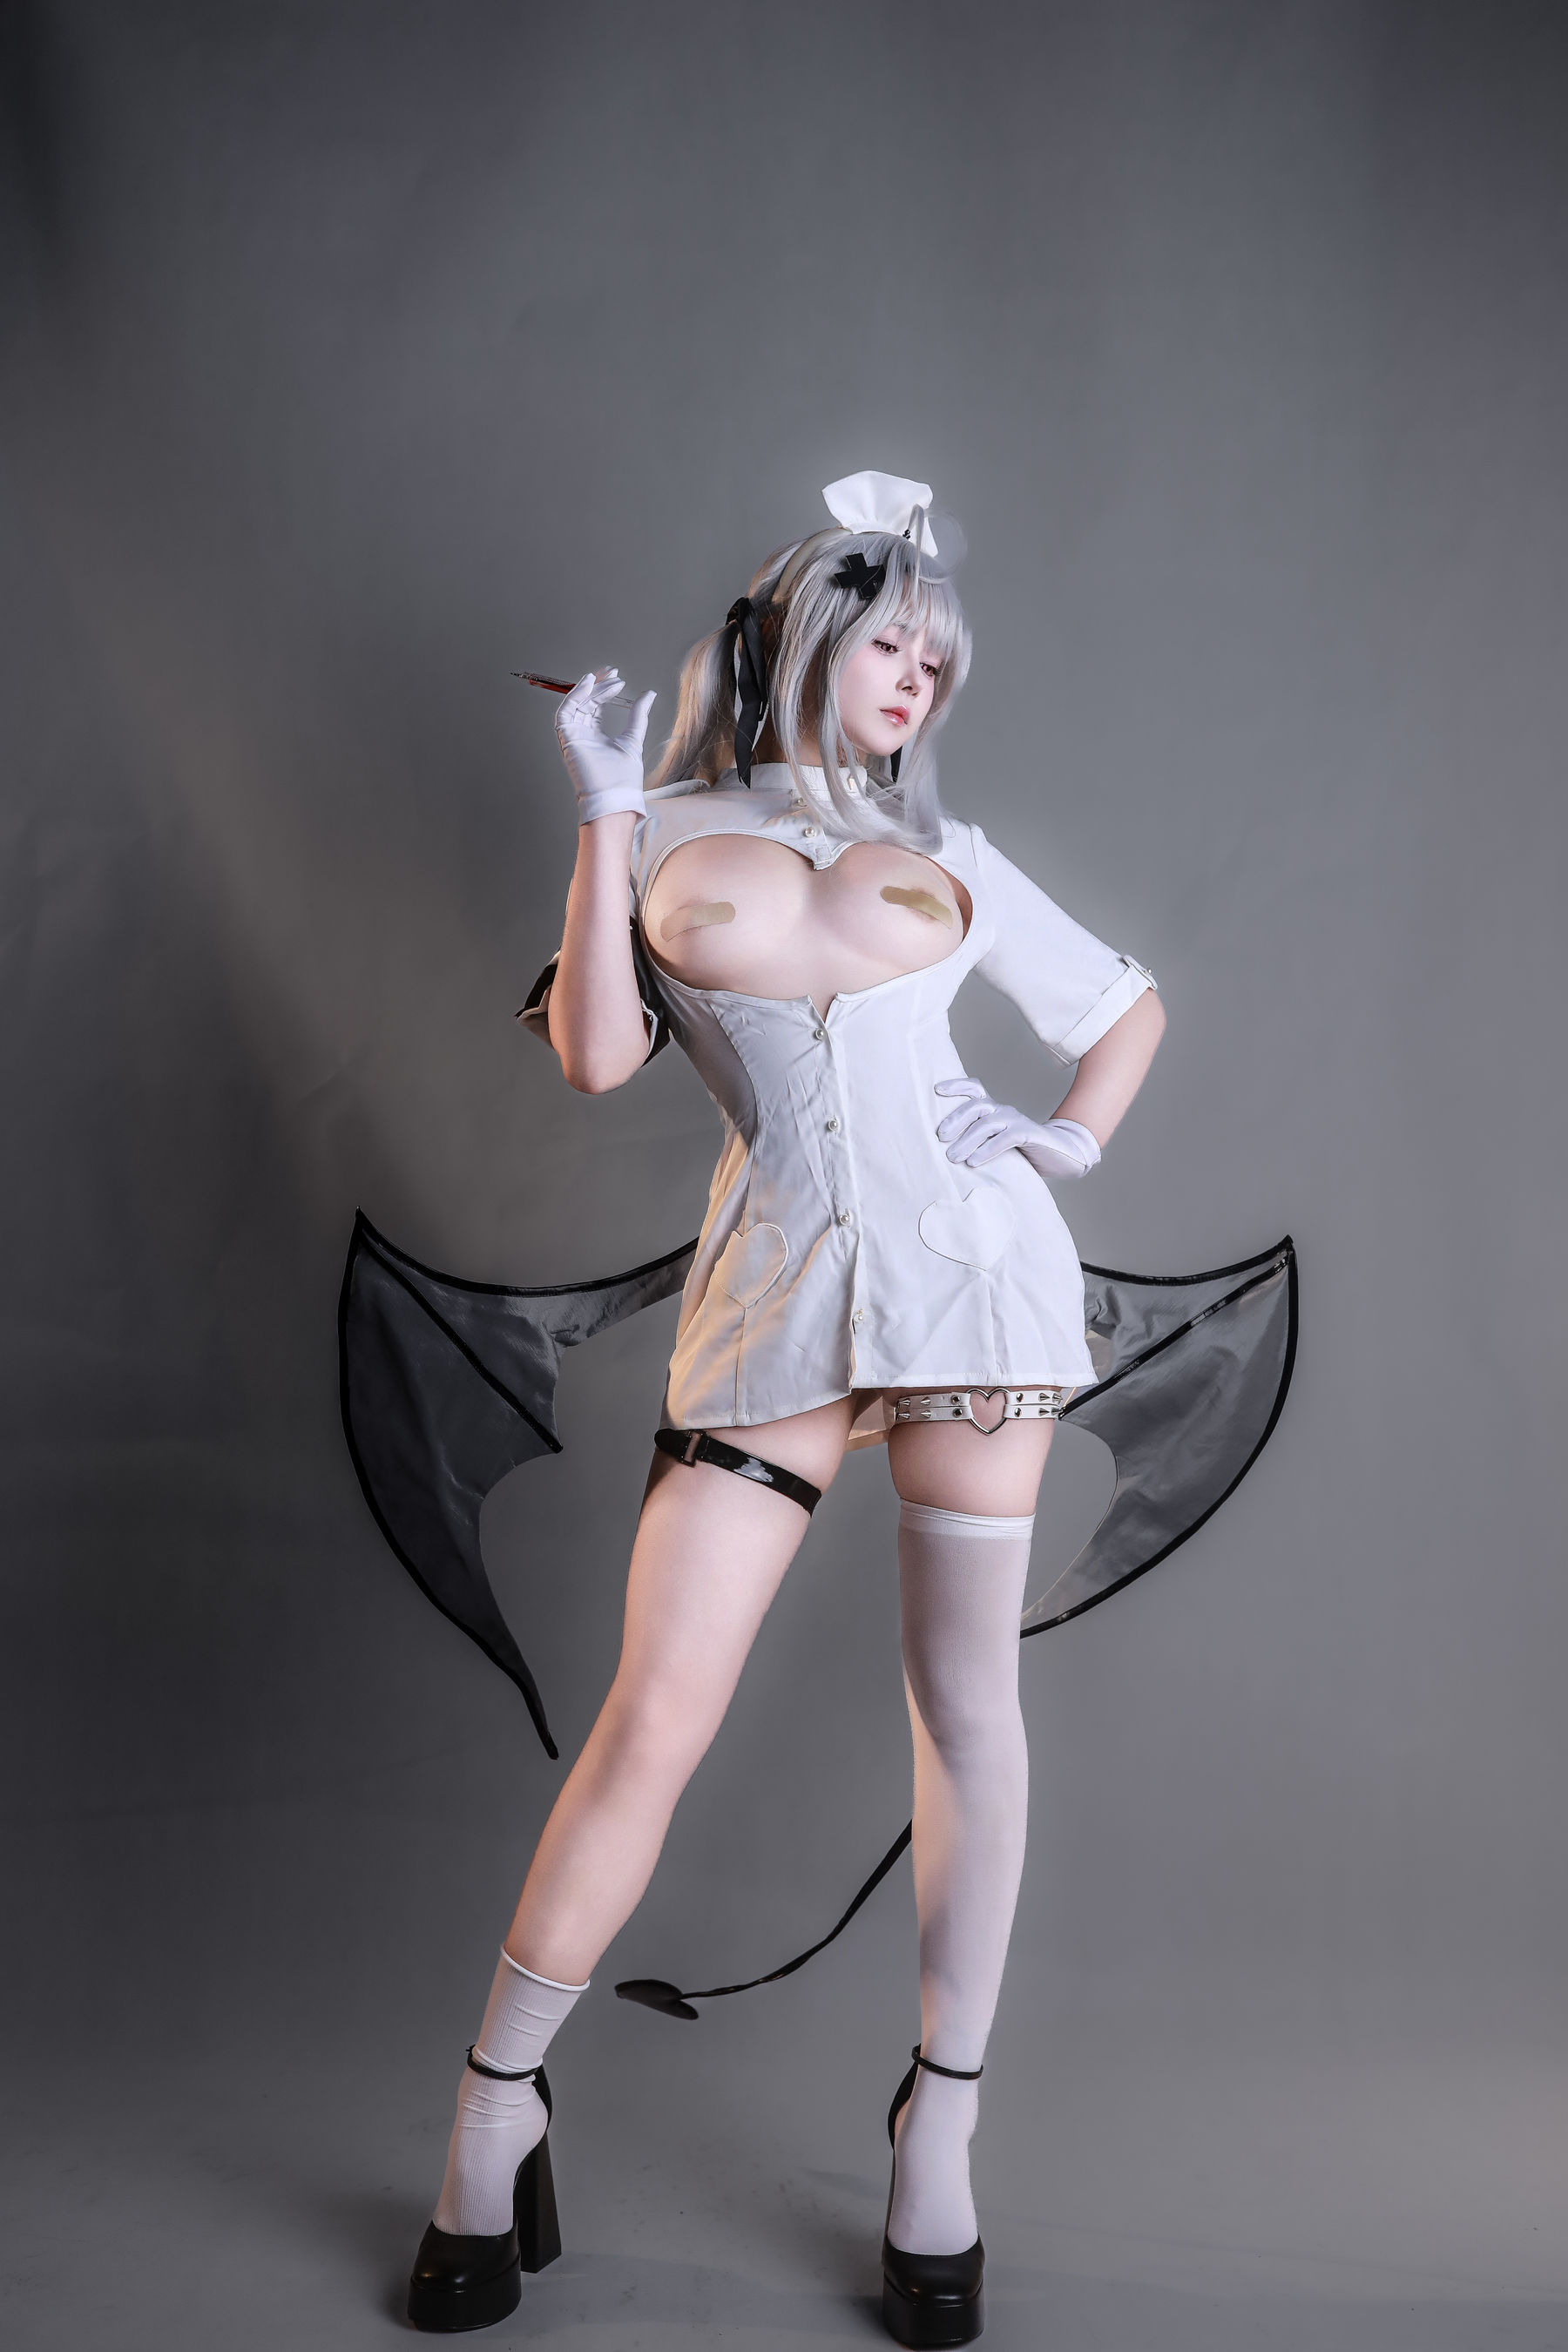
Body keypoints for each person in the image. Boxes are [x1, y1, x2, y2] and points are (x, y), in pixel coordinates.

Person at [407, 471, 1166, 2344]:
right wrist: (601, 810)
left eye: (939, 660)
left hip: (976, 1284)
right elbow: (596, 1057)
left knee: (966, 1709)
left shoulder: (950, 844)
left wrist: (1062, 1140)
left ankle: (940, 2131)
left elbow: (1122, 1011)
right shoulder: (664, 830)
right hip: (772, 1303)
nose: (919, 677)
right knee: (654, 1716)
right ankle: (495, 2108)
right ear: (804, 633)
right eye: (892, 641)